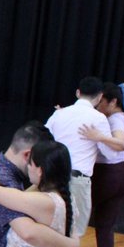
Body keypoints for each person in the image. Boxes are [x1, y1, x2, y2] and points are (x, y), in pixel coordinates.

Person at [81, 82, 124, 247]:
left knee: (73, 216)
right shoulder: (118, 118)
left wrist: (98, 137)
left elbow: (121, 144)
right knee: (105, 225)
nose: (98, 105)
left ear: (113, 102)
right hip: (122, 175)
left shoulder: (116, 120)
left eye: (101, 102)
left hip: (108, 176)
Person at [46, 77, 111, 237]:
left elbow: (44, 138)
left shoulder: (59, 113)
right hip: (77, 180)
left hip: (51, 175)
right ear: (100, 96)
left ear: (77, 93)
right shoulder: (99, 118)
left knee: (48, 224)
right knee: (73, 231)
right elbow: (109, 153)